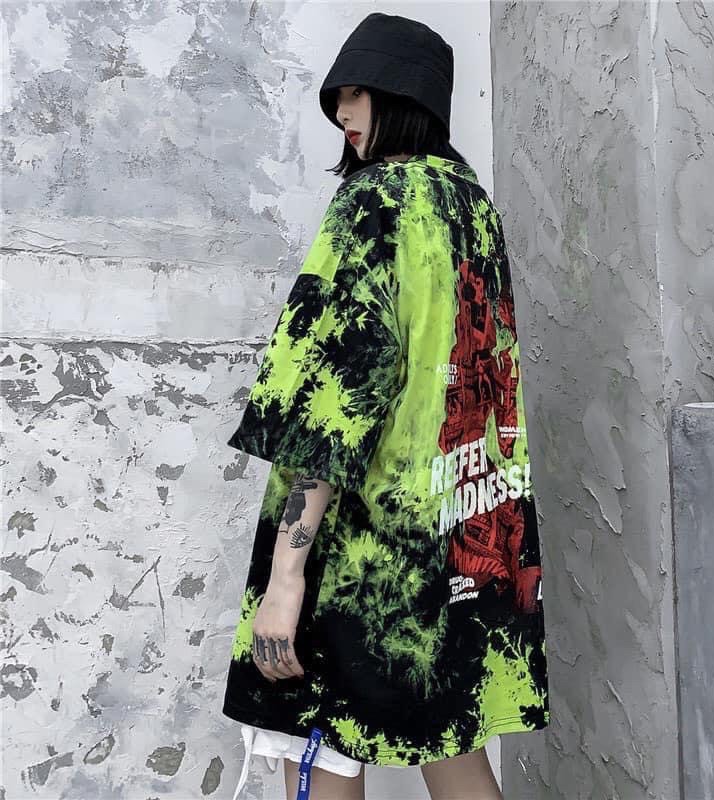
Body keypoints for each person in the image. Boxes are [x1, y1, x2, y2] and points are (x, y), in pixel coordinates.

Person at [222, 12, 549, 800]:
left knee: (322, 741)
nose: (342, 111)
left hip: (366, 548)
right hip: (466, 534)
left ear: (403, 98)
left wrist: (287, 578)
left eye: (357, 93)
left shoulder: (373, 203)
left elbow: (334, 398)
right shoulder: (471, 206)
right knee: (454, 747)